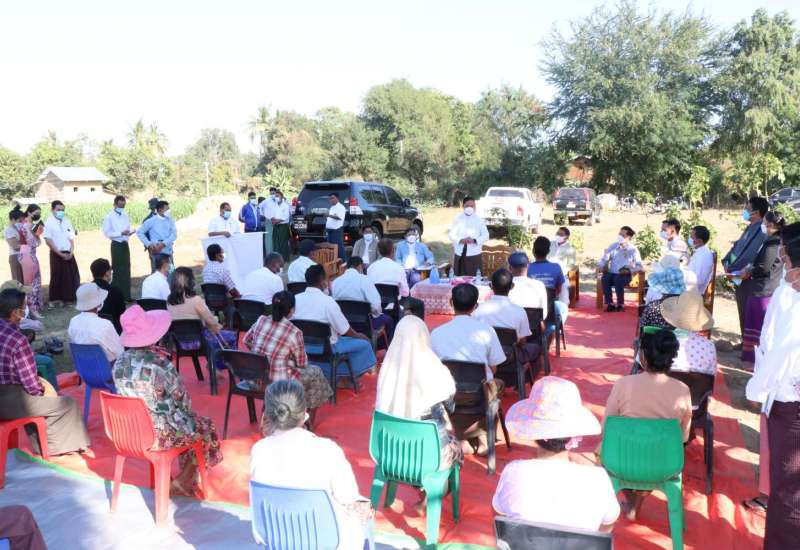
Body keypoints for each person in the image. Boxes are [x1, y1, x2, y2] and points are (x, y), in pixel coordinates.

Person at [250, 380, 374, 549]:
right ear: (304, 413)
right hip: (326, 542)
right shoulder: (327, 450)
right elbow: (348, 497)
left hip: (277, 539)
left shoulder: (259, 450)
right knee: (363, 508)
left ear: (269, 413)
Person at [114, 305, 222, 496]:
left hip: (128, 432)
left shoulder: (119, 362)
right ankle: (185, 480)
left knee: (188, 424)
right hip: (158, 435)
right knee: (205, 427)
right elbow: (183, 401)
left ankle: (182, 479)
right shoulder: (159, 364)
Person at [494, 376, 618, 532]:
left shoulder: (513, 471)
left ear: (534, 432)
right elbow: (607, 525)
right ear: (573, 435)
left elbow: (499, 520)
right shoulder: (598, 479)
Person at [744, 222, 800, 548]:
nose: (784, 265)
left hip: (791, 406)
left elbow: (782, 355)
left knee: (789, 492)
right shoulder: (789, 293)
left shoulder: (795, 302)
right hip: (786, 399)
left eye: (787, 260)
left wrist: (755, 390)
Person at [603, 329, 691, 520]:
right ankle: (634, 505)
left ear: (642, 356)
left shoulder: (623, 384)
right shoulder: (682, 390)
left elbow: (607, 427)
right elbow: (683, 436)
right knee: (649, 450)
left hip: (621, 461)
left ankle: (631, 502)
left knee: (604, 451)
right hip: (664, 464)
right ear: (671, 358)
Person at [0, 288, 90, 455]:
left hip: (9, 398)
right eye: (24, 309)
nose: (25, 313)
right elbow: (31, 386)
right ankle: (56, 448)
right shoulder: (18, 341)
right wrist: (45, 391)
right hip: (9, 401)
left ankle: (43, 443)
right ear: (15, 313)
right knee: (68, 404)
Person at [375, 315, 463, 468]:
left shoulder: (386, 370)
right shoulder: (436, 369)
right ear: (424, 336)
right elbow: (451, 408)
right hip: (428, 455)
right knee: (456, 447)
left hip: (390, 453)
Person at [431, 283, 506, 454]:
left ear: (451, 302)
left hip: (446, 394)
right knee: (496, 385)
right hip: (479, 394)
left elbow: (432, 368)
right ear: (475, 306)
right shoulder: (487, 331)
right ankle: (483, 439)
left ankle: (464, 438)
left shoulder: (436, 333)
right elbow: (494, 367)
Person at [244, 291, 332, 427]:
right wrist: (286, 358)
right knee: (316, 373)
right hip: (278, 383)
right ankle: (307, 421)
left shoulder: (261, 320)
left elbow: (246, 340)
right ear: (291, 310)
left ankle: (294, 412)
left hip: (255, 379)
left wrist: (263, 355)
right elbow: (302, 363)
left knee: (304, 372)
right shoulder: (294, 332)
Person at [293, 265, 376, 382]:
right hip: (327, 349)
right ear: (323, 282)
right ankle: (346, 377)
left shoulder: (295, 299)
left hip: (302, 347)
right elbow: (345, 330)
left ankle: (332, 374)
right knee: (365, 344)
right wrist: (360, 336)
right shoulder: (328, 302)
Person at [473, 268, 539, 372]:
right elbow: (523, 342)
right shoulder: (519, 312)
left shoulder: (479, 310)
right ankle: (522, 376)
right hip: (509, 357)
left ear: (490, 286)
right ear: (512, 286)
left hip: (485, 354)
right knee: (536, 348)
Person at [740, 211, 785, 362]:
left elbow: (764, 267)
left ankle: (752, 360)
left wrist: (749, 271)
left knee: (756, 325)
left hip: (763, 289)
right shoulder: (774, 240)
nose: (763, 226)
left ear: (770, 224)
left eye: (764, 223)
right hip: (766, 287)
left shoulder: (773, 243)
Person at [723, 196, 769, 338]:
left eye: (747, 209)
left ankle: (748, 344)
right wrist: (727, 263)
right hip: (738, 276)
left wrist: (734, 270)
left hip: (747, 278)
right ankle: (745, 342)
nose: (744, 211)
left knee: (748, 313)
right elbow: (737, 248)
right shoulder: (750, 227)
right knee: (742, 311)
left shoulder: (761, 230)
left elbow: (750, 255)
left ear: (757, 212)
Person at [332, 256, 395, 344]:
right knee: (388, 320)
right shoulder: (365, 280)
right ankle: (383, 349)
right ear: (360, 266)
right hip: (364, 326)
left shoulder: (335, 282)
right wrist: (375, 314)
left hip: (343, 325)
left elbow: (334, 305)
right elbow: (376, 306)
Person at [660, 291, 716, 376]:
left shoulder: (660, 340)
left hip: (665, 383)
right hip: (697, 384)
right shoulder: (709, 345)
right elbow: (711, 374)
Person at [68, 282, 124, 362]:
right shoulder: (105, 325)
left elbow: (74, 347)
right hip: (108, 367)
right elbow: (120, 352)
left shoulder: (73, 321)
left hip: (84, 366)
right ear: (98, 304)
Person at [43, 200, 80, 306]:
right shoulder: (48, 222)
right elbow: (48, 240)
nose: (61, 212)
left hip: (69, 252)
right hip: (57, 252)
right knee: (57, 276)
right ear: (52, 210)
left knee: (72, 275)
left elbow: (71, 237)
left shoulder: (67, 221)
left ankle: (70, 298)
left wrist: (71, 251)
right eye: (58, 210)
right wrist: (60, 253)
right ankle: (56, 299)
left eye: (62, 210)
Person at [597, 226, 643, 312]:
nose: (620, 236)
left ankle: (620, 304)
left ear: (629, 237)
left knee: (618, 279)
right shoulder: (613, 246)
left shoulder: (633, 250)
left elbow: (639, 266)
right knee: (605, 278)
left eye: (623, 235)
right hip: (612, 273)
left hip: (625, 275)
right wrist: (600, 265)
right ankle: (610, 303)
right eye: (619, 234)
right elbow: (604, 259)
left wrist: (629, 270)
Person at [528, 237, 568, 321]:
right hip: (550, 310)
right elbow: (559, 290)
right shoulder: (556, 267)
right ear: (548, 251)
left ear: (533, 251)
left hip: (530, 311)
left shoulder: (527, 268)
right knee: (563, 307)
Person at [101, 195, 133, 301]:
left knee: (126, 269)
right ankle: (117, 296)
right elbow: (107, 233)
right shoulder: (109, 217)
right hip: (116, 244)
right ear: (114, 204)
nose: (121, 208)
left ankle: (127, 295)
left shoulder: (125, 215)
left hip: (125, 243)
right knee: (118, 269)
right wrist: (120, 233)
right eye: (120, 206)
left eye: (123, 206)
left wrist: (129, 232)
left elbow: (128, 227)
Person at [448, 196, 489, 276]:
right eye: (467, 206)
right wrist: (460, 240)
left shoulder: (479, 220)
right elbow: (451, 234)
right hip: (460, 254)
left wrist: (474, 240)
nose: (470, 208)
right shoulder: (457, 218)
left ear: (475, 207)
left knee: (474, 278)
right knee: (459, 278)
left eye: (472, 206)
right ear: (463, 206)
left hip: (474, 254)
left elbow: (486, 235)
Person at [19, 204, 45, 318]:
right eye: (36, 213)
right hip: (27, 255)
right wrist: (37, 234)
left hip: (30, 254)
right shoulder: (26, 225)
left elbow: (38, 242)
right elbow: (34, 243)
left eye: (39, 213)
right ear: (29, 212)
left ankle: (35, 307)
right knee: (32, 284)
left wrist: (38, 234)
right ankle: (32, 310)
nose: (38, 215)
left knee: (36, 281)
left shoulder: (30, 225)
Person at [136, 200, 177, 271]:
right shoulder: (151, 221)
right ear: (160, 210)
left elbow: (174, 234)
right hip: (156, 251)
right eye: (167, 209)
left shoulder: (170, 220)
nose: (169, 211)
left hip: (168, 250)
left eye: (169, 209)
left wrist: (164, 244)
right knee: (157, 272)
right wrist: (149, 244)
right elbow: (140, 232)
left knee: (170, 272)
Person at [507, 252, 548, 318]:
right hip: (533, 324)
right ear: (528, 266)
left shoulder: (504, 286)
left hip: (510, 323)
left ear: (510, 268)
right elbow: (544, 315)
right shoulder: (539, 285)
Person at [91, 258, 126, 333]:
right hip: (113, 331)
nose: (111, 273)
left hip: (91, 330)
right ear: (107, 273)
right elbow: (122, 316)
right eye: (110, 271)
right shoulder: (115, 291)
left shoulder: (87, 290)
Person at [686, 225, 715, 295]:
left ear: (699, 240)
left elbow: (699, 280)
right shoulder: (700, 251)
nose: (690, 239)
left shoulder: (703, 255)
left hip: (692, 293)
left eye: (692, 237)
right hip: (688, 288)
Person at [5, 207, 25, 284]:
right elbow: (15, 246)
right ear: (13, 219)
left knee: (23, 281)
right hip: (15, 257)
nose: (21, 222)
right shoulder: (9, 230)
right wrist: (28, 245)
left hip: (21, 256)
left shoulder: (16, 227)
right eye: (20, 221)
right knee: (18, 282)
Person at [270, 189, 292, 261]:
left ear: (282, 197)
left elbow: (286, 217)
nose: (276, 197)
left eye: (278, 196)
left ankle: (284, 259)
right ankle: (276, 259)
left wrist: (277, 221)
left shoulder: (285, 205)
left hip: (283, 226)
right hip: (275, 226)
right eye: (275, 196)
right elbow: (271, 215)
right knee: (276, 243)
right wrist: (273, 220)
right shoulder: (274, 205)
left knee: (283, 243)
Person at [325, 193, 347, 261]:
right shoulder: (332, 207)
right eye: (330, 198)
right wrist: (327, 217)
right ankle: (333, 262)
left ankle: (344, 262)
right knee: (330, 248)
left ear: (337, 198)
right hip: (330, 231)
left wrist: (329, 215)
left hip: (336, 231)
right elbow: (330, 218)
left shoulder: (341, 207)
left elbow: (339, 217)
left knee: (338, 248)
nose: (331, 200)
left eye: (332, 198)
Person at [141, 197, 160, 271]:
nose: (155, 209)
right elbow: (143, 234)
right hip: (153, 248)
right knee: (155, 268)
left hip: (165, 246)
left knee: (168, 268)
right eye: (153, 208)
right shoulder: (146, 220)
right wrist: (148, 245)